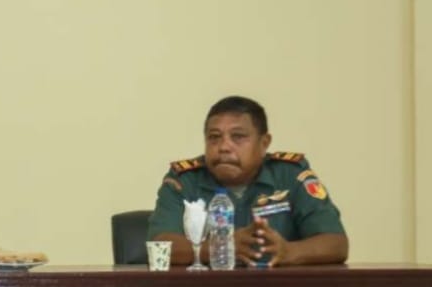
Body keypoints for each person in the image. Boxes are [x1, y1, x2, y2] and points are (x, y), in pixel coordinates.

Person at [147, 95, 348, 267]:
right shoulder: (184, 180)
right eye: (214, 137)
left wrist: (289, 252)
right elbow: (161, 245)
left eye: (238, 137)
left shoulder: (290, 175)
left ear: (264, 143)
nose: (224, 147)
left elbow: (336, 243)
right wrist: (221, 247)